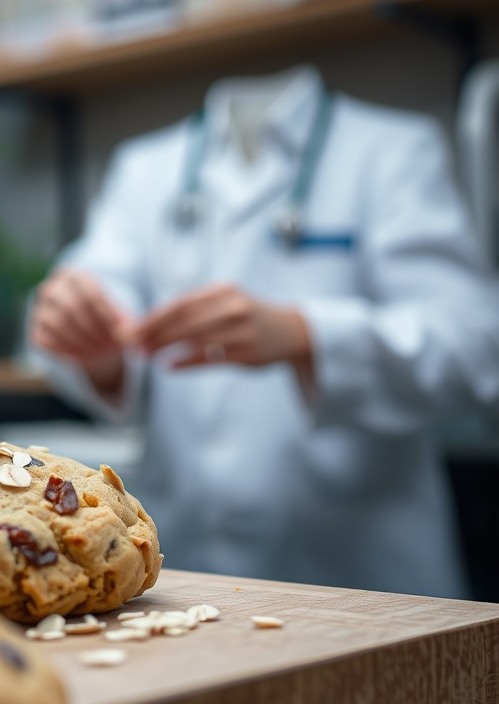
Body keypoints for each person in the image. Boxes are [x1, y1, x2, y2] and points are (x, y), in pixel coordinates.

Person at [28, 65, 499, 599]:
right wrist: (90, 345)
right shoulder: (146, 168)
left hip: (360, 575)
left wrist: (307, 334)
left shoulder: (391, 149)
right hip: (182, 569)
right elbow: (82, 303)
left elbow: (476, 342)